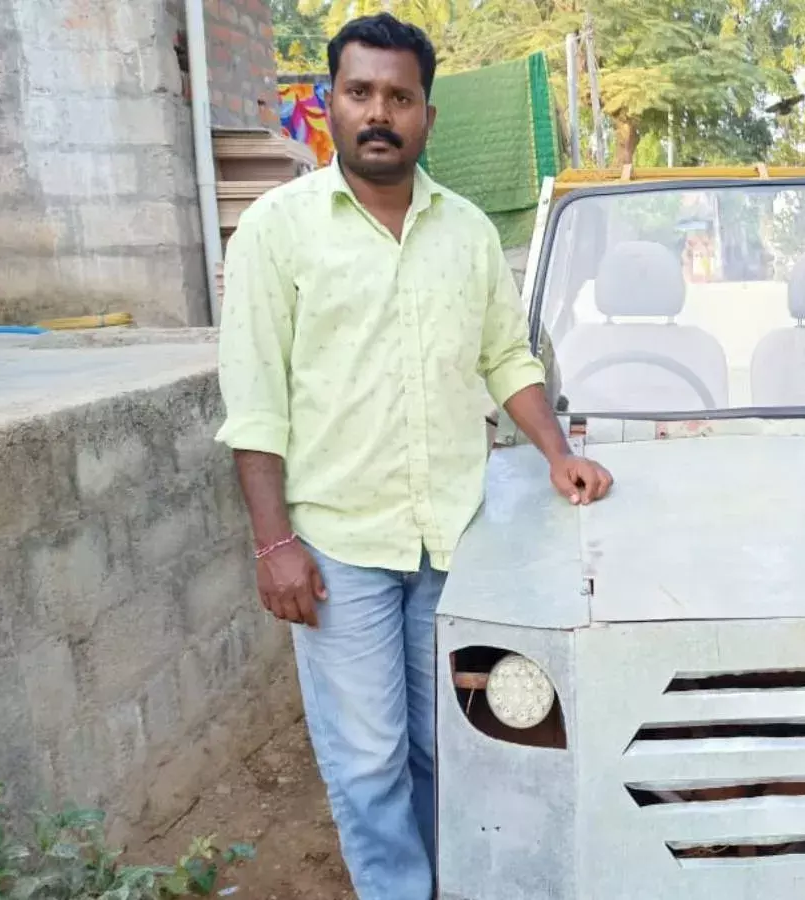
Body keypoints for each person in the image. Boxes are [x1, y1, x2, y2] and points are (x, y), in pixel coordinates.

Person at [214, 13, 613, 899]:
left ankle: (454, 882)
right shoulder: (278, 233)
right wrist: (274, 543)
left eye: (399, 96)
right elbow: (255, 403)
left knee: (454, 747)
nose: (379, 112)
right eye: (360, 93)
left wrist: (556, 451)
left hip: (455, 542)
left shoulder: (466, 233)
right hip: (337, 549)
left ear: (427, 115)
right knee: (368, 763)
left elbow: (508, 359)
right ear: (331, 104)